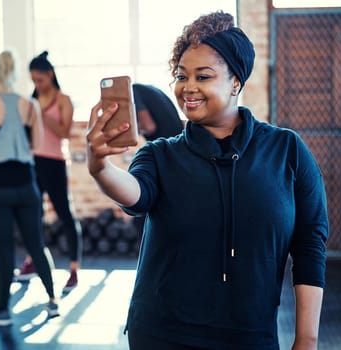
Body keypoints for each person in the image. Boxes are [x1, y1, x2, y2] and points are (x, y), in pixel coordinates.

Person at [86, 10, 328, 350]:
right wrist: (100, 168)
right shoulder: (160, 154)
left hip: (250, 336)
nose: (188, 87)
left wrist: (306, 338)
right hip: (162, 334)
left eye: (203, 76)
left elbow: (310, 243)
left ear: (235, 82)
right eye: (181, 76)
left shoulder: (286, 150)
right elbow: (137, 195)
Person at [0, 51, 59, 326]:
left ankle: (3, 310)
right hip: (25, 184)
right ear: (16, 74)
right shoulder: (29, 105)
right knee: (36, 244)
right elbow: (35, 145)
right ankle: (53, 301)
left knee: (5, 249)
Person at [15, 51, 82, 294]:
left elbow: (64, 131)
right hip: (34, 162)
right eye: (33, 81)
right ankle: (33, 260)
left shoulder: (63, 100)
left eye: (40, 80)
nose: (37, 85)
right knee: (32, 214)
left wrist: (40, 114)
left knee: (65, 214)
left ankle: (73, 269)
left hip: (55, 162)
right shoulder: (32, 100)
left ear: (50, 75)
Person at [131, 83, 185, 235]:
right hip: (178, 149)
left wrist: (128, 131)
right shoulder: (151, 90)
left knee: (141, 217)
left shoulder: (133, 92)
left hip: (167, 152)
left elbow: (149, 127)